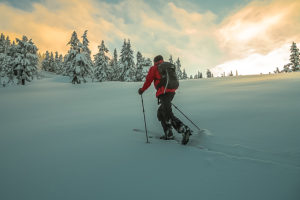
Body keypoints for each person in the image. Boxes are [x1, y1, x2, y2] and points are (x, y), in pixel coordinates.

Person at [138, 55, 191, 145]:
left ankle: (183, 129)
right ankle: (168, 134)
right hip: (171, 92)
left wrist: (142, 90)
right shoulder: (168, 67)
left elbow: (148, 80)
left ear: (155, 61)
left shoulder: (154, 68)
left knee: (167, 113)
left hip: (164, 92)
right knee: (161, 112)